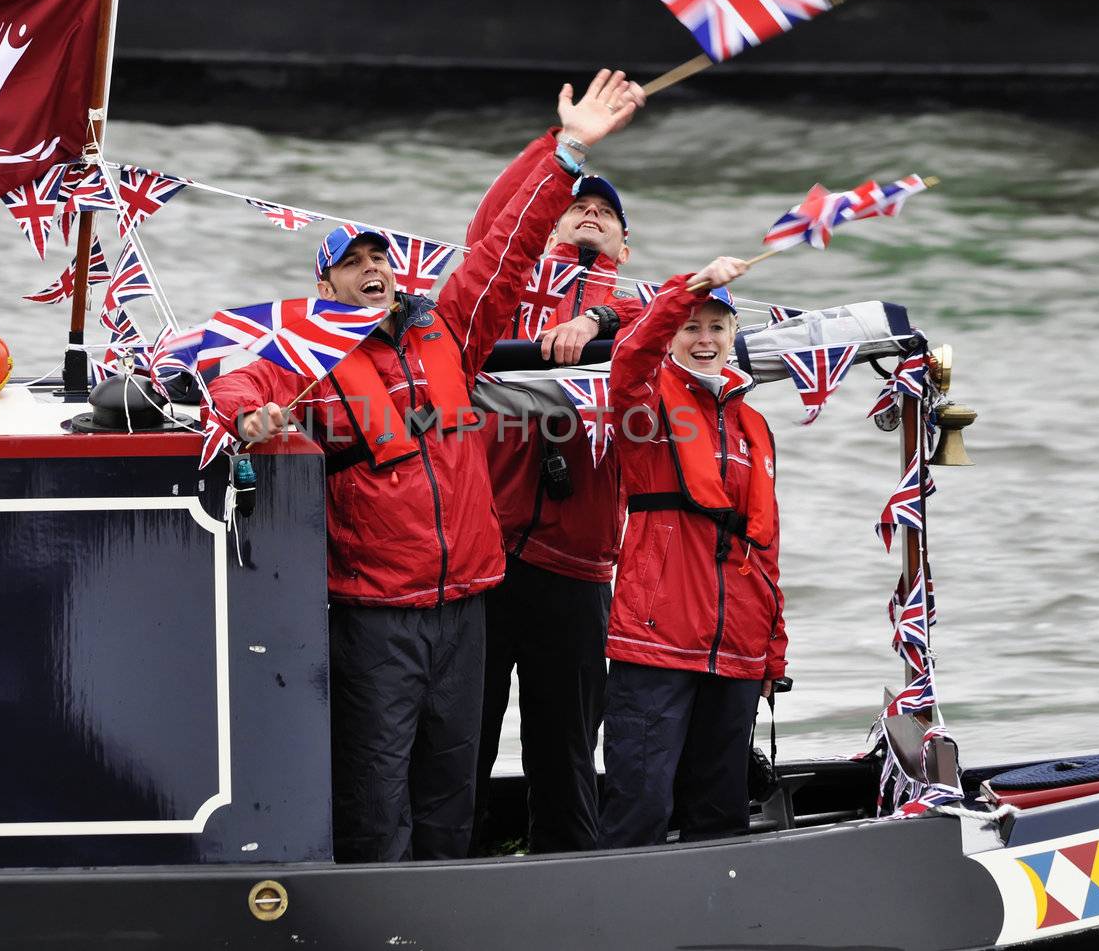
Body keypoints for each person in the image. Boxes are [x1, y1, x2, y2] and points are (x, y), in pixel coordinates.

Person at [208, 69, 646, 863]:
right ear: (325, 283)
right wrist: (246, 413)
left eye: (381, 257)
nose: (372, 268)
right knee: (377, 788)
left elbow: (505, 251)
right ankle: (381, 914)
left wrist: (569, 151)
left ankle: (452, 912)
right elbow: (238, 377)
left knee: (451, 787)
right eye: (353, 261)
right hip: (377, 614)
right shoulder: (310, 357)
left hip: (468, 607)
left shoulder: (449, 331)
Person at [465, 136, 645, 854]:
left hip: (576, 573)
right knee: (463, 738)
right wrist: (561, 154)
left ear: (627, 249)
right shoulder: (509, 290)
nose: (592, 214)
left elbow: (680, 312)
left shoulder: (640, 312)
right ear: (548, 226)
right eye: (578, 208)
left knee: (566, 750)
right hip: (489, 560)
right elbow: (491, 229)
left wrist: (597, 320)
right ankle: (445, 869)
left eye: (607, 213)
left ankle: (567, 874)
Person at [598, 258, 789, 848]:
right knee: (640, 803)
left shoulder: (754, 423)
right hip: (656, 641)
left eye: (717, 327)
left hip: (738, 646)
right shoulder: (644, 402)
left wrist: (771, 654)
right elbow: (630, 357)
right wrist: (687, 290)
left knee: (722, 814)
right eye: (691, 327)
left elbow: (769, 546)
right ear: (672, 333)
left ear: (735, 337)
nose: (704, 339)